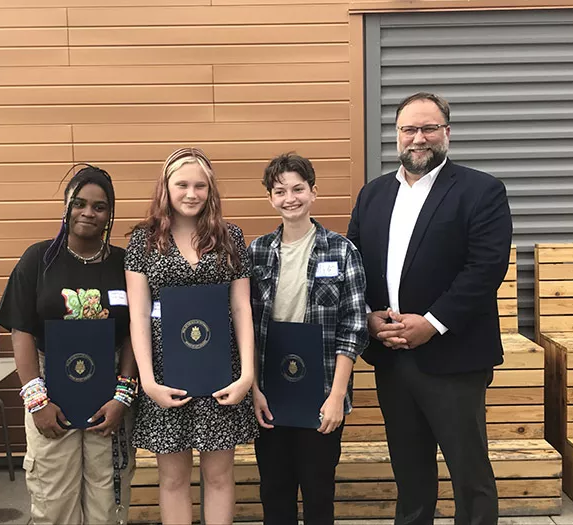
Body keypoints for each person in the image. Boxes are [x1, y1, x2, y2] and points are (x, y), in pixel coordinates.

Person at [347, 92, 513, 525]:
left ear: (447, 134)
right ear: (396, 135)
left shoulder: (481, 191)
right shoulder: (373, 195)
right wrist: (368, 315)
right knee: (410, 471)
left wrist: (433, 323)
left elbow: (485, 268)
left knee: (469, 472)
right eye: (409, 129)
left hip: (454, 358)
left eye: (428, 128)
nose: (418, 138)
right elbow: (356, 265)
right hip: (392, 355)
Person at [0, 164, 137, 525]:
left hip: (110, 390)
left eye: (99, 206)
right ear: (66, 206)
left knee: (108, 497)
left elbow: (135, 331)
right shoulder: (37, 261)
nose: (88, 212)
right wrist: (36, 399)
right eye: (80, 203)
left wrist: (123, 395)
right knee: (53, 496)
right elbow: (21, 329)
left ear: (110, 214)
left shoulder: (124, 264)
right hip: (49, 386)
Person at [125, 147, 257, 525]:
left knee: (218, 477)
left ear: (211, 190)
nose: (191, 193)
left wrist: (246, 374)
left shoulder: (230, 237)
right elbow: (138, 315)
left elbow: (241, 308)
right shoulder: (144, 241)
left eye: (200, 185)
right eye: (181, 184)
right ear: (165, 188)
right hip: (167, 376)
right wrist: (147, 381)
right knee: (173, 478)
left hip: (221, 374)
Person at [249, 153, 368, 525]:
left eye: (298, 189)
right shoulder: (256, 253)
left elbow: (353, 328)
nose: (290, 198)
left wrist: (336, 396)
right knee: (274, 490)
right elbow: (246, 327)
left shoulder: (342, 251)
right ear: (270, 197)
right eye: (280, 191)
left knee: (318, 490)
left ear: (314, 192)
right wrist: (254, 391)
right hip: (270, 391)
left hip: (321, 390)